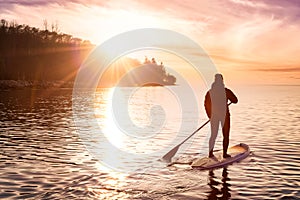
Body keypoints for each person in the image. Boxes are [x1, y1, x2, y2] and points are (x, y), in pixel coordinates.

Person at [204, 74, 238, 158]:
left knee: (213, 135)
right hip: (224, 116)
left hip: (214, 116)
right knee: (225, 135)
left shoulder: (210, 92)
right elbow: (235, 100)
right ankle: (225, 154)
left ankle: (210, 154)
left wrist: (210, 115)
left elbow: (206, 105)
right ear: (222, 81)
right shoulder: (226, 91)